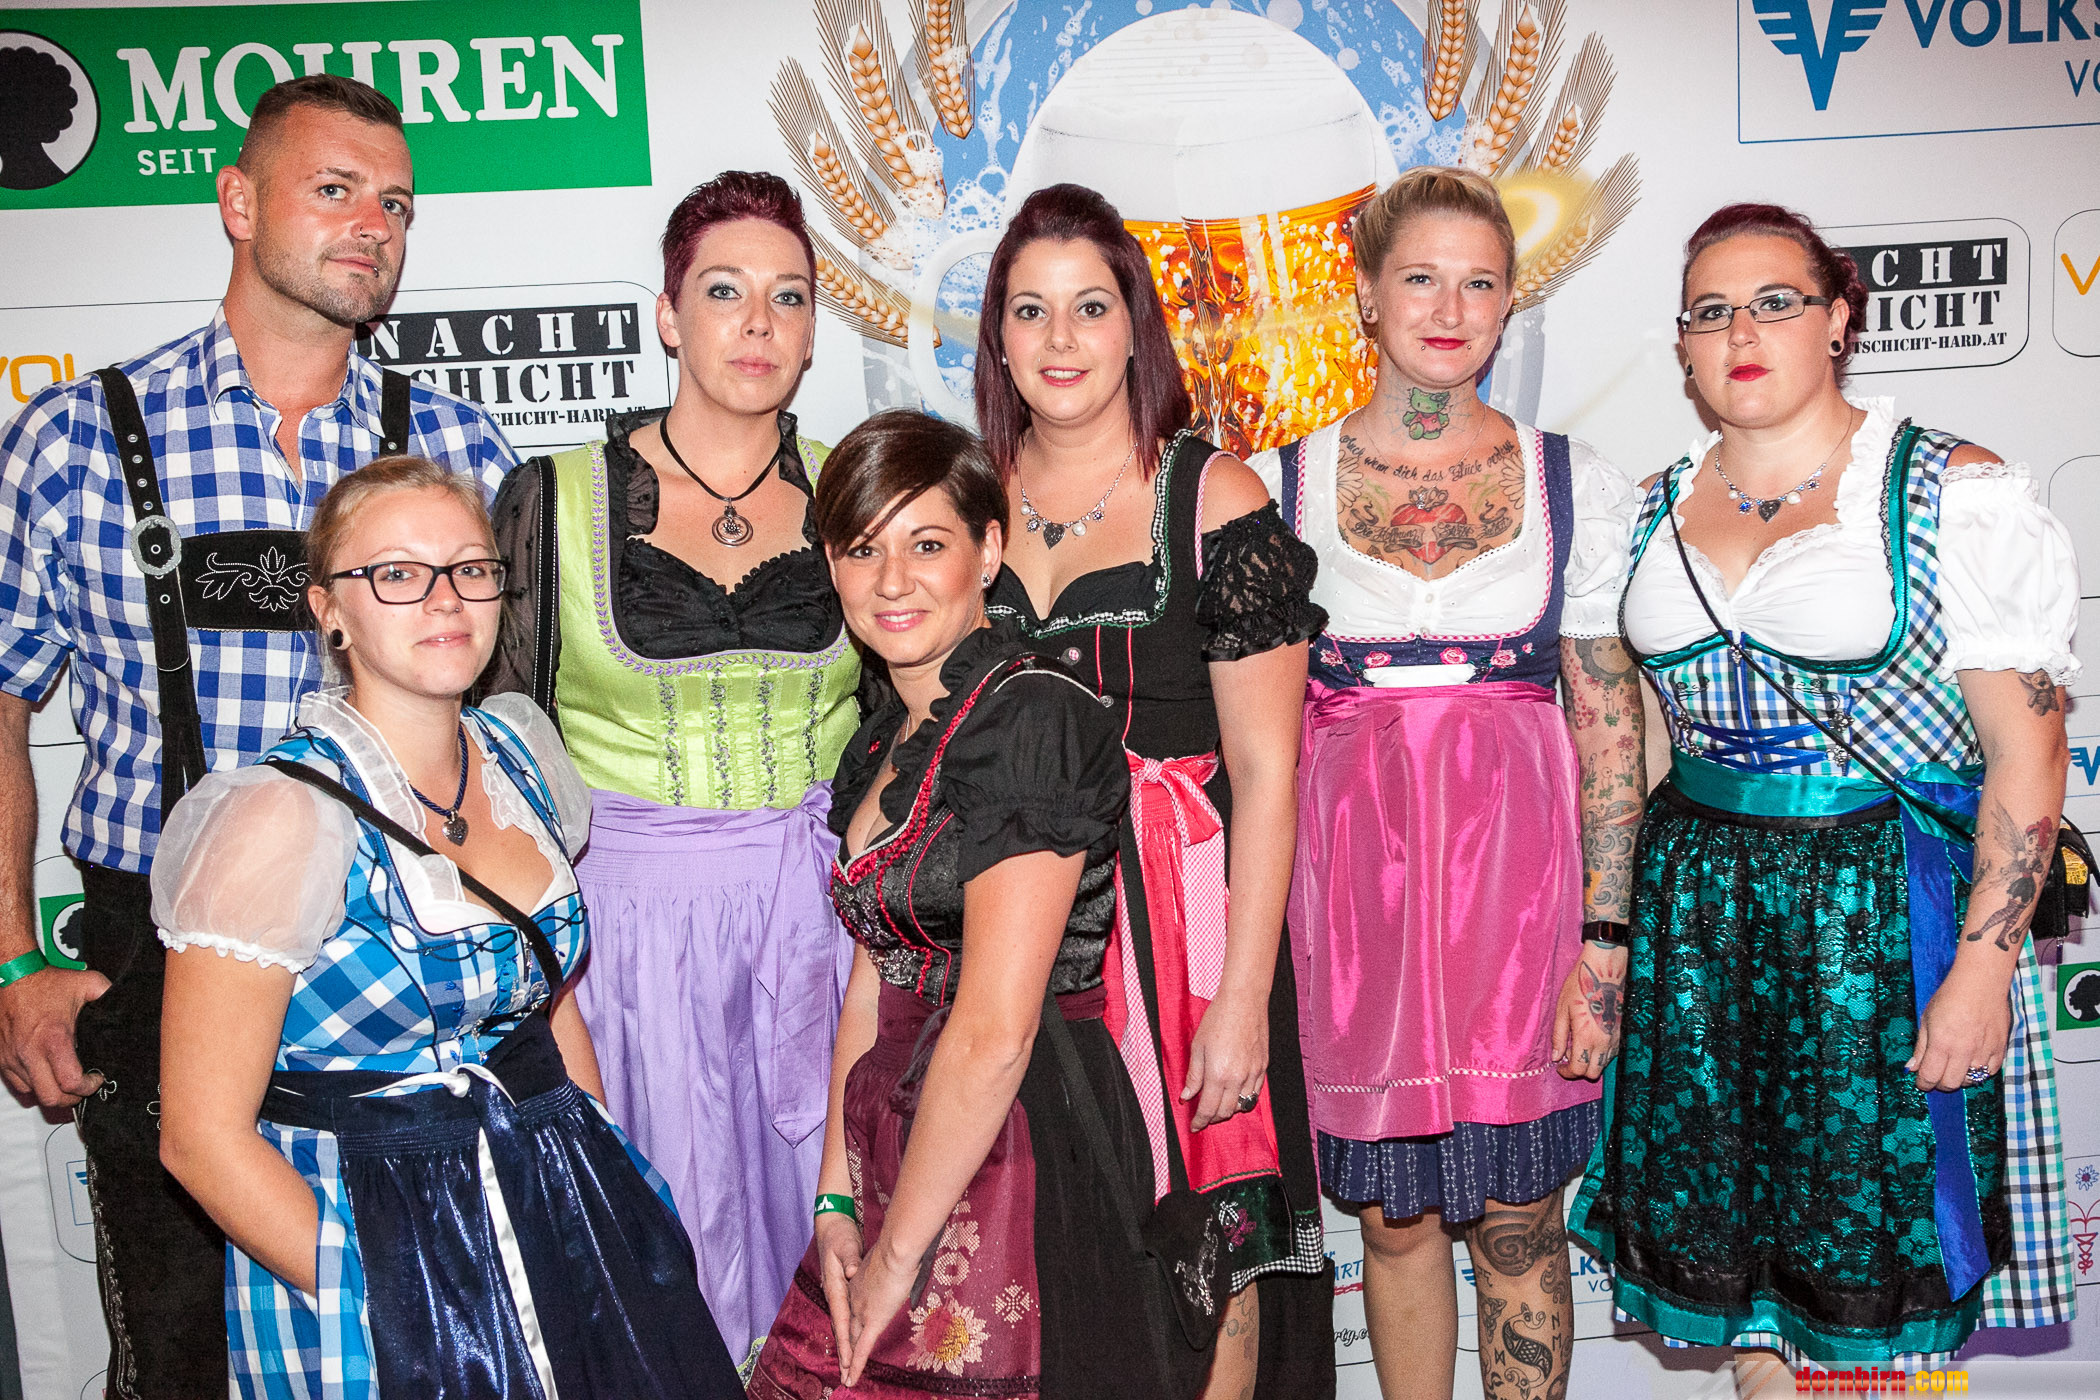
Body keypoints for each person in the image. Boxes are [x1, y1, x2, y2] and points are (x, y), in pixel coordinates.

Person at [0, 75, 515, 1398]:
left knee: (420, 1336)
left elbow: (514, 724)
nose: (372, 225)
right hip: (158, 951)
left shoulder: (458, 444)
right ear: (237, 202)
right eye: (334, 190)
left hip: (405, 951)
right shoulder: (75, 440)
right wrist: (11, 955)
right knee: (179, 1352)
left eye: (395, 203)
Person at [1569, 203, 2079, 1382]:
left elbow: (2029, 752)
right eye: (1711, 311)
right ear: (1684, 345)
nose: (1741, 332)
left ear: (1840, 318)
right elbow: (1624, 751)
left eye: (1776, 302)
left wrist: (1983, 969)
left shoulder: (1950, 489)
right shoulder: (1641, 511)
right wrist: (1610, 937)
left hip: (1880, 918)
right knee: (1745, 1274)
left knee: (1866, 1257)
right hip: (1701, 924)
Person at [153, 457, 743, 1398]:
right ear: (329, 611)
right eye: (397, 573)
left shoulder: (521, 753)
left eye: (470, 569)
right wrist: (375, 1295)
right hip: (371, 1234)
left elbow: (550, 1008)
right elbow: (199, 1138)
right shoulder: (277, 817)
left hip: (561, 1208)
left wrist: (613, 1173)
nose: (445, 599)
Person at [1250, 165, 1643, 1400]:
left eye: (1479, 282)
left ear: (1509, 301)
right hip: (1355, 911)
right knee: (1395, 1222)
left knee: (1521, 1220)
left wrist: (1606, 942)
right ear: (1366, 295)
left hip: (1522, 909)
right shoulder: (1272, 487)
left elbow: (1608, 724)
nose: (1449, 307)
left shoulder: (1575, 480)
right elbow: (1251, 746)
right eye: (1420, 276)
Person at [750, 409, 1212, 1399]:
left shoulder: (1031, 717)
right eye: (862, 548)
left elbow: (997, 1030)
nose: (892, 580)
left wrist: (897, 1257)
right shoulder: (883, 737)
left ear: (989, 550)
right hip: (893, 1144)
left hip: (1014, 1144)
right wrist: (836, 1195)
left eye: (928, 544)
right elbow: (871, 981)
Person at [486, 169, 859, 1366]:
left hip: (824, 932)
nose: (758, 322)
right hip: (629, 949)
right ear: (666, 313)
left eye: (788, 295)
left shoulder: (862, 491)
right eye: (724, 290)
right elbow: (495, 748)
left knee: (842, 1256)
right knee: (665, 1265)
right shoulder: (553, 499)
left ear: (813, 330)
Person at [976, 182, 1334, 1398]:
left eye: (1091, 306)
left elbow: (1269, 773)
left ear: (1138, 327)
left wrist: (1241, 999)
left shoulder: (1214, 495)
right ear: (998, 335)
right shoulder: (964, 501)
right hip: (1016, 939)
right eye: (1031, 309)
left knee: (1211, 1253)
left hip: (1184, 932)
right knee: (1060, 1249)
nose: (1061, 338)